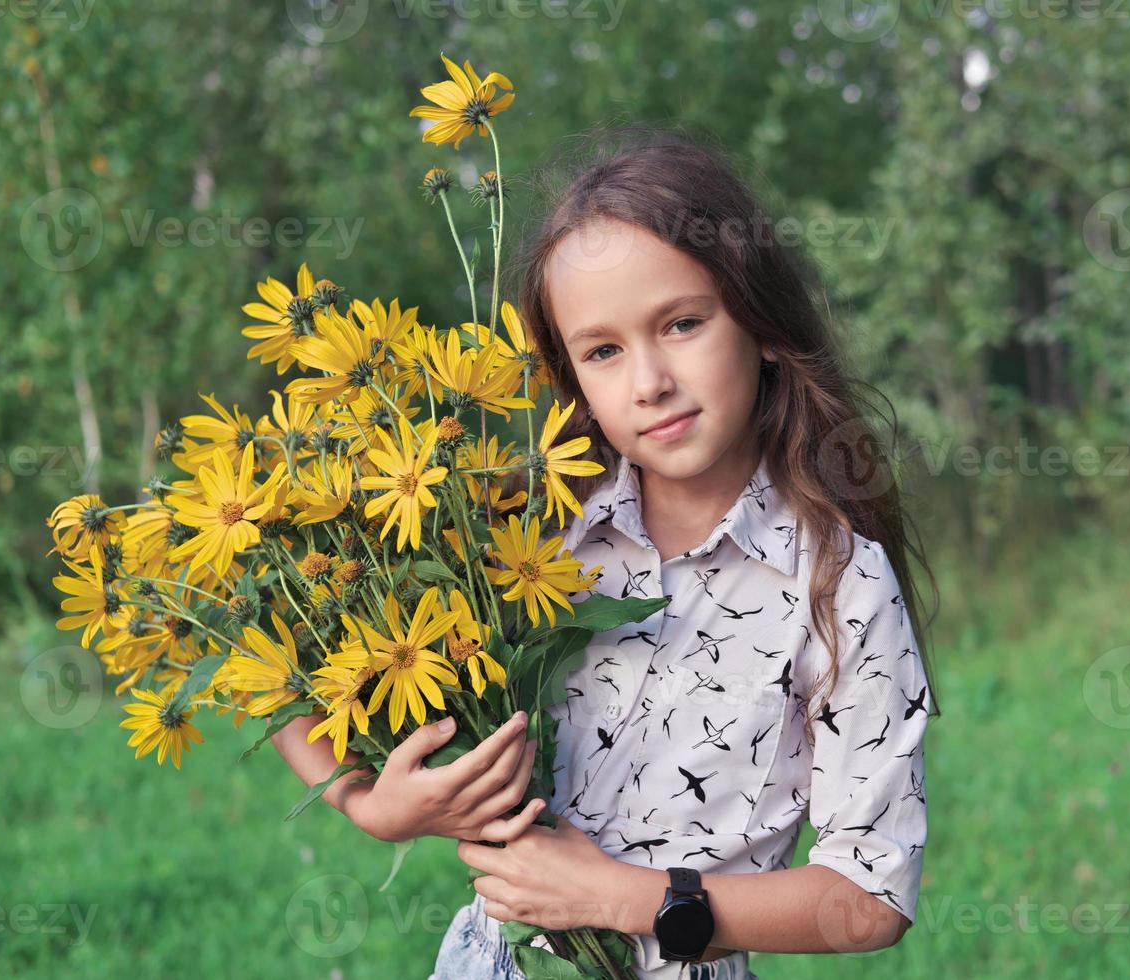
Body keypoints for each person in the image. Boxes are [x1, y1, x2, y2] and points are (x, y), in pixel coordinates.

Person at [274, 128, 939, 980]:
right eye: (603, 351)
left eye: (684, 323)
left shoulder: (838, 581)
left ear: (763, 324)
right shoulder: (516, 535)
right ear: (571, 375)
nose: (649, 381)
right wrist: (370, 803)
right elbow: (286, 676)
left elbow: (870, 903)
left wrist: (621, 898)